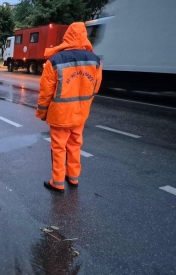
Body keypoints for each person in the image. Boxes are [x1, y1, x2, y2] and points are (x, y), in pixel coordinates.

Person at [35, 22, 102, 193]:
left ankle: (57, 182)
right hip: (80, 113)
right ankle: (73, 177)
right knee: (75, 145)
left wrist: (42, 113)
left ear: (67, 37)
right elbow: (95, 87)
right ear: (84, 36)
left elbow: (46, 92)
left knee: (59, 148)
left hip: (60, 115)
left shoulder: (55, 61)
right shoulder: (95, 60)